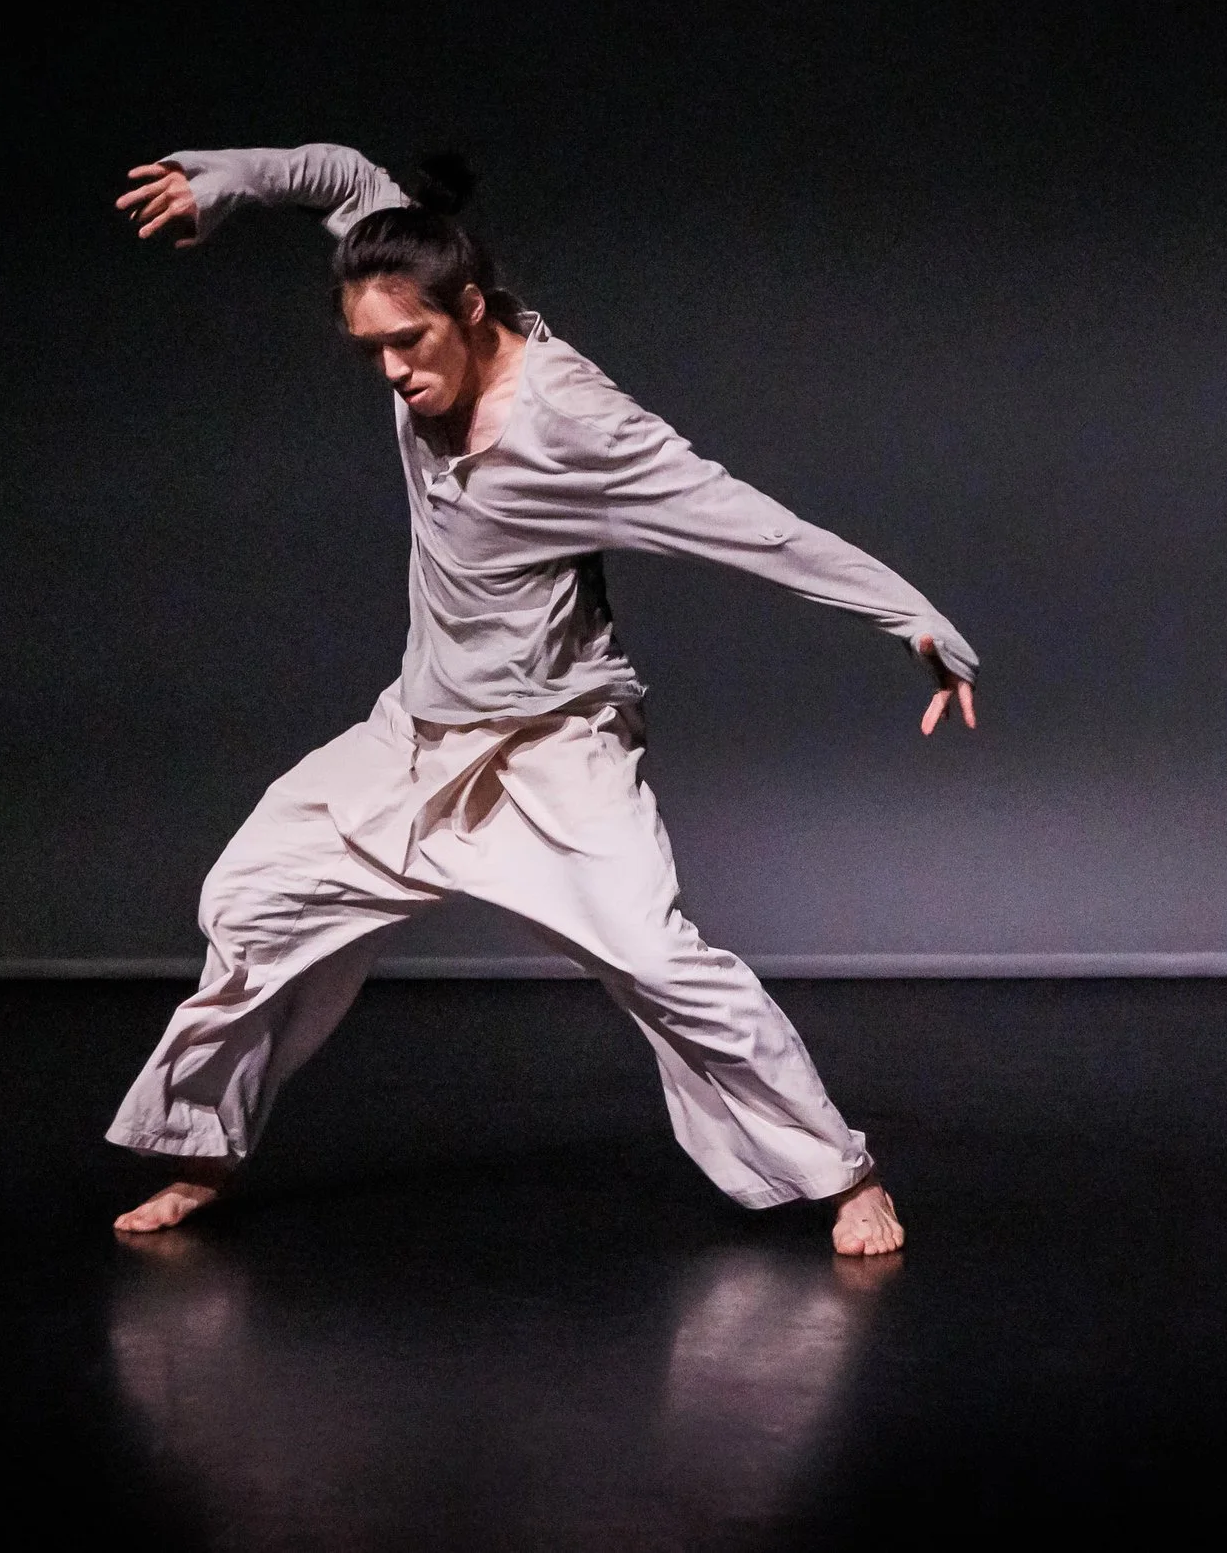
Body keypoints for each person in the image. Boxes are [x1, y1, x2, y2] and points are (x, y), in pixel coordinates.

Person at [105, 144, 978, 1255]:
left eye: (408, 343)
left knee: (662, 963)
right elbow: (340, 175)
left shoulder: (580, 427)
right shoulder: (410, 263)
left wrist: (909, 615)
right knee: (251, 900)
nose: (390, 372)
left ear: (471, 311)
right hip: (417, 738)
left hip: (554, 746)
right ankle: (204, 1150)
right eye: (367, 349)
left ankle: (843, 1175)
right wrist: (223, 181)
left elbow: (751, 524)